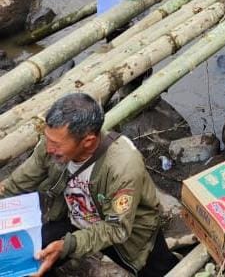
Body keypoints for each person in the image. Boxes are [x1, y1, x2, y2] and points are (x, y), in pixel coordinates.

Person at [0, 93, 177, 277]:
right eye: (47, 138)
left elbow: (117, 229)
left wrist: (68, 245)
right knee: (31, 258)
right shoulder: (51, 144)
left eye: (56, 144)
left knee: (162, 271)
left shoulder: (123, 166)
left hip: (125, 231)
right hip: (74, 219)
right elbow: (17, 184)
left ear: (88, 141)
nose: (49, 148)